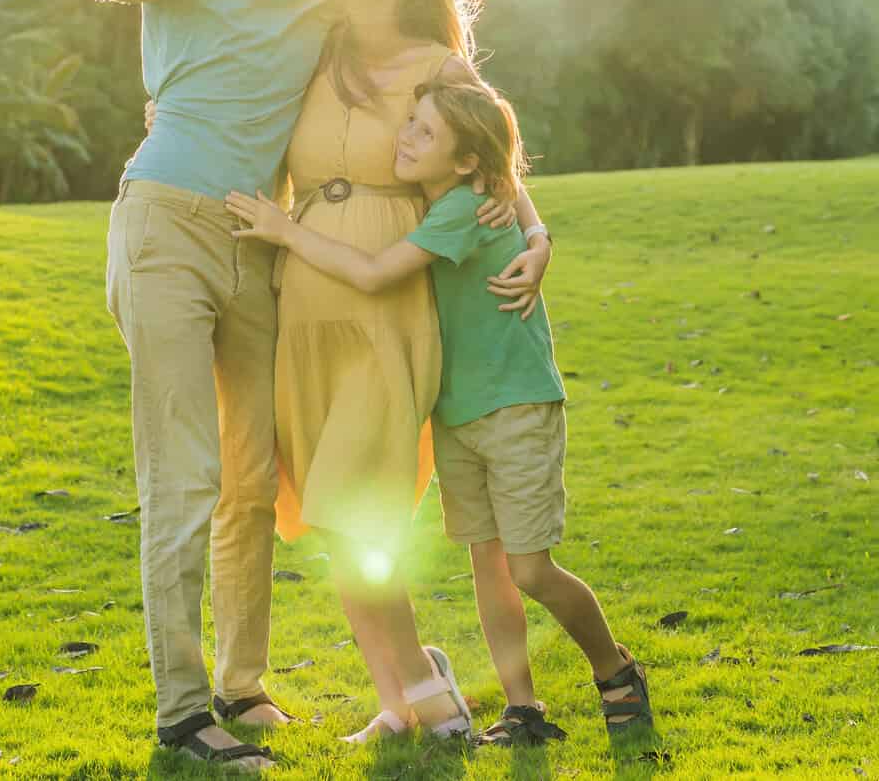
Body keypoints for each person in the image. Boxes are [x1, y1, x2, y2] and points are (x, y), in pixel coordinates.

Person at [32, 0, 356, 772]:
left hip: (255, 242)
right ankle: (181, 712)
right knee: (183, 474)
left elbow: (409, 25)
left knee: (252, 476)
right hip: (165, 225)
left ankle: (241, 685)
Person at [227, 78, 655, 749]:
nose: (403, 137)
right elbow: (502, 176)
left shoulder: (464, 206)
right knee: (490, 565)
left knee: (530, 569)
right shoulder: (458, 195)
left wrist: (286, 231)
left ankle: (616, 671)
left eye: (424, 132)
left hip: (513, 403)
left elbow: (374, 272)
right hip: (458, 410)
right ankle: (522, 710)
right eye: (410, 122)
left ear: (465, 161)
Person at [263, 0, 552, 744]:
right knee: (329, 509)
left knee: (358, 503)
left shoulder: (439, 67)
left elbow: (495, 165)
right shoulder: (313, 47)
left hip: (389, 304)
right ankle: (400, 697)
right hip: (303, 301)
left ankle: (428, 687)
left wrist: (538, 237)